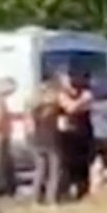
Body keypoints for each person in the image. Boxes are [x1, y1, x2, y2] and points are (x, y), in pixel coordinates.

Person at [57, 67, 96, 202]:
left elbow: (77, 107)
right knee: (69, 163)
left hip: (84, 131)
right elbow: (70, 108)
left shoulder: (86, 94)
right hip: (69, 133)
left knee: (84, 162)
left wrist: (80, 103)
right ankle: (70, 190)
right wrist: (81, 102)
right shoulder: (62, 94)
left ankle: (83, 190)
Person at [27, 73, 64, 205]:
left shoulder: (35, 105)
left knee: (40, 170)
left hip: (37, 139)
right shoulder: (54, 105)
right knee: (54, 170)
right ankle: (51, 199)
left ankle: (35, 200)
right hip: (51, 140)